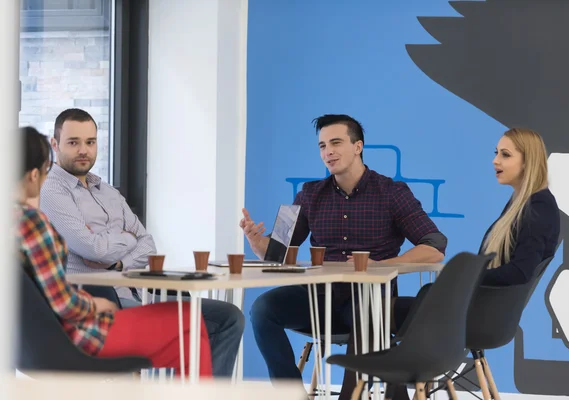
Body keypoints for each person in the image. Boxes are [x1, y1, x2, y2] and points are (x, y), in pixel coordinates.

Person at [242, 114, 448, 388]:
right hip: (318, 299)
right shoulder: (308, 193)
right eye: (322, 146)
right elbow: (278, 251)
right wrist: (257, 243)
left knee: (366, 317)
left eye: (336, 143)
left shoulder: (393, 192)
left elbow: (435, 245)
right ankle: (289, 394)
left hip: (368, 300)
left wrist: (383, 264)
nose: (328, 151)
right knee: (262, 309)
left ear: (358, 146)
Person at [39, 108, 244, 378]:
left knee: (230, 317)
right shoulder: (51, 189)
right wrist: (127, 238)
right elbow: (94, 249)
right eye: (73, 142)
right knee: (190, 326)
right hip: (97, 305)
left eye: (90, 142)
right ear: (55, 145)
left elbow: (148, 246)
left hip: (137, 295)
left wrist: (118, 260)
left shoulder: (107, 191)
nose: (83, 150)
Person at [386, 128, 561, 400]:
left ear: (528, 161)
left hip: (480, 319)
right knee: (392, 308)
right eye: (496, 153)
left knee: (376, 315)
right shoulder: (524, 202)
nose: (495, 161)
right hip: (481, 314)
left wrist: (463, 277)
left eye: (505, 155)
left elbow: (520, 272)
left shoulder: (537, 207)